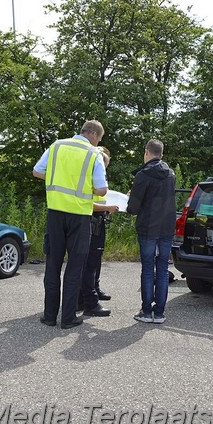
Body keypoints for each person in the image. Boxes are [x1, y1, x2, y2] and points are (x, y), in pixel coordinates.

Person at [33, 120, 108, 329]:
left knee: (53, 265)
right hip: (80, 216)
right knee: (74, 268)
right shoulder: (94, 154)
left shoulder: (57, 145)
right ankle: (68, 318)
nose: (98, 142)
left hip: (55, 213)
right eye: (99, 138)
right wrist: (84, 187)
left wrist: (60, 180)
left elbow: (37, 171)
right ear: (93, 135)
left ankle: (49, 316)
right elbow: (101, 190)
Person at [127, 139, 176, 324]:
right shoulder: (170, 174)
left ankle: (146, 312)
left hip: (148, 228)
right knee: (163, 269)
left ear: (147, 152)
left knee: (148, 269)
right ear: (161, 154)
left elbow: (133, 208)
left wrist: (131, 197)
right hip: (166, 227)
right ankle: (160, 313)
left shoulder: (143, 175)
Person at [78, 147, 119, 316]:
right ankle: (89, 302)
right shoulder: (90, 178)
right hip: (92, 222)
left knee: (93, 262)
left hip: (97, 221)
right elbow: (87, 203)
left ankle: (85, 297)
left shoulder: (93, 177)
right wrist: (108, 207)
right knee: (89, 264)